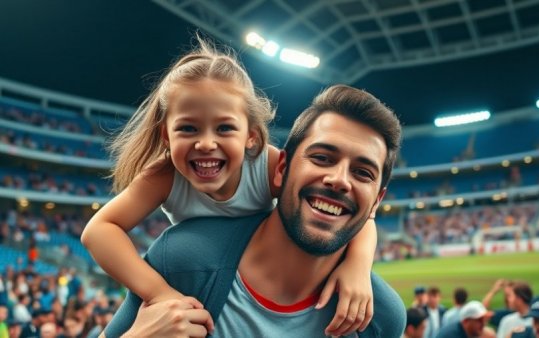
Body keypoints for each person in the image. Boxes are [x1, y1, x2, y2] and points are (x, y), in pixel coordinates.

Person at [81, 39, 380, 336]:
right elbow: (99, 230)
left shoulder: (267, 165)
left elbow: (354, 212)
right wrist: (158, 292)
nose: (206, 143)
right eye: (188, 128)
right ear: (166, 136)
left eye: (224, 128)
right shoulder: (163, 175)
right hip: (203, 266)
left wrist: (357, 265)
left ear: (251, 136)